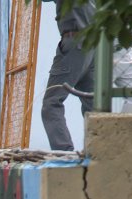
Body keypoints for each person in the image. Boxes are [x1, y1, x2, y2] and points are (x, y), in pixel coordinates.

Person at [41, 0, 96, 151]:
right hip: (92, 45)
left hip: (75, 42)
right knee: (92, 104)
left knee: (52, 103)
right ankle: (99, 150)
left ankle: (63, 152)